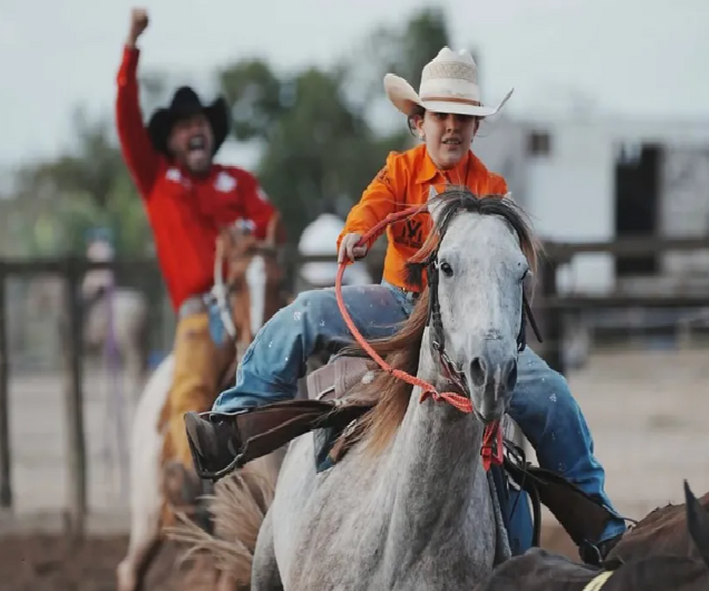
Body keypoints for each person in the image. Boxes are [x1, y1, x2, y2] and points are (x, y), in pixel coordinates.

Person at [186, 47, 627, 560]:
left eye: (464, 118)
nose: (452, 128)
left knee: (552, 398)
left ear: (475, 128)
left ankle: (601, 531)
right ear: (419, 122)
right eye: (442, 115)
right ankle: (236, 421)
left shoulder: (491, 189)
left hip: (468, 323)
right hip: (401, 306)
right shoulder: (399, 172)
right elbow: (368, 208)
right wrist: (354, 235)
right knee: (305, 315)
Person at [115, 7, 286, 514]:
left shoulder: (239, 181)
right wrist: (131, 47)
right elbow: (126, 119)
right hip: (201, 310)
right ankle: (185, 472)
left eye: (202, 125)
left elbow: (269, 225)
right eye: (185, 126)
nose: (195, 132)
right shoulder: (158, 180)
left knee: (297, 357)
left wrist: (248, 241)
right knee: (192, 374)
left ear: (213, 134)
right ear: (169, 139)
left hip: (250, 300)